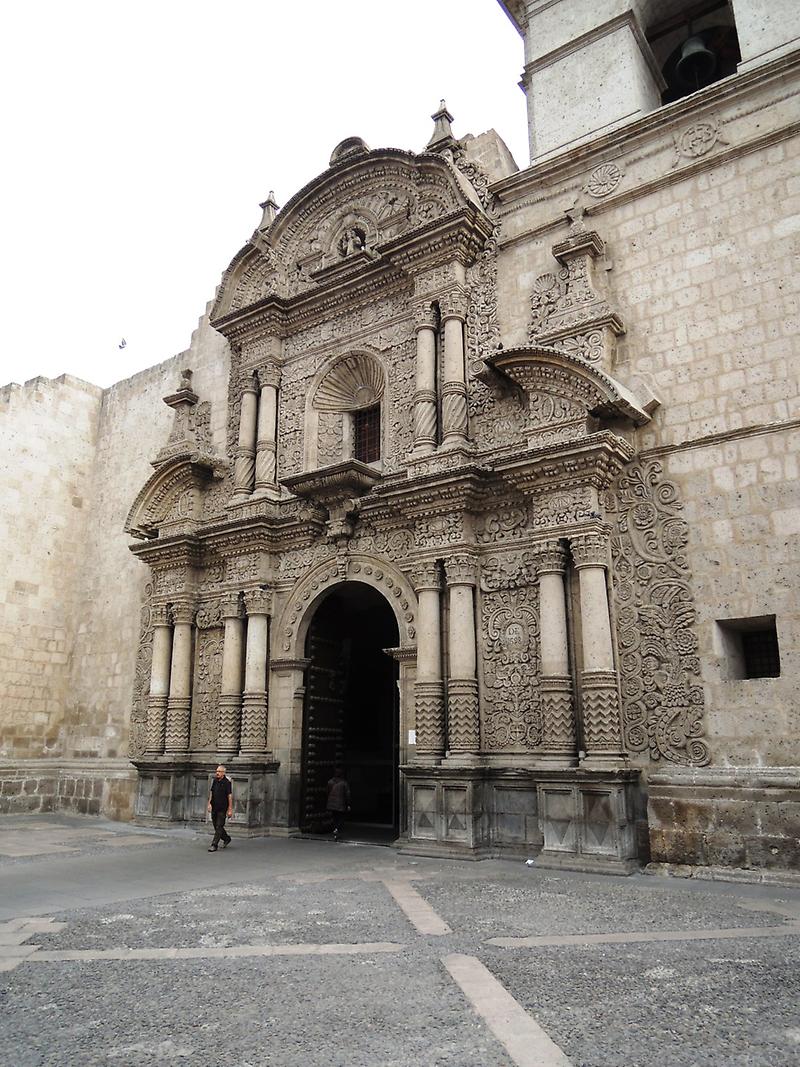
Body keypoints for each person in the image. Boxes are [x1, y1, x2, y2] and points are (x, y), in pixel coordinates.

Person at [207, 764, 233, 852]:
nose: (217, 773)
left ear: (223, 773)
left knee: (219, 826)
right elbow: (211, 792)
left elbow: (229, 796)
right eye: (216, 771)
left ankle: (214, 845)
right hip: (214, 806)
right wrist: (209, 804)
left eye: (219, 771)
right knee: (216, 826)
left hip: (223, 807)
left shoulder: (227, 783)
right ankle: (226, 838)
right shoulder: (215, 781)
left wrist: (230, 809)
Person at [326, 768, 350, 841]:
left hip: (332, 803)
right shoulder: (344, 783)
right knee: (341, 817)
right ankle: (337, 828)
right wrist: (348, 804)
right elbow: (347, 794)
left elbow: (327, 792)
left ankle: (335, 829)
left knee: (334, 817)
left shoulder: (330, 782)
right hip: (341, 804)